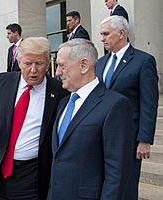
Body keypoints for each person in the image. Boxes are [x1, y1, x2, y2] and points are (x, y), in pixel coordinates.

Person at [0, 37, 69, 200]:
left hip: (32, 177)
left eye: (39, 63)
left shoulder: (59, 92)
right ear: (18, 62)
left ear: (48, 63)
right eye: (27, 64)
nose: (33, 70)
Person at [48, 38, 134, 200]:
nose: (57, 72)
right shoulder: (64, 103)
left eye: (62, 65)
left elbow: (117, 172)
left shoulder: (115, 105)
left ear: (84, 65)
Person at [96, 16, 159, 200]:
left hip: (129, 137)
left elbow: (149, 102)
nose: (102, 38)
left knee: (127, 186)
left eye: (106, 34)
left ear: (121, 33)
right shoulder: (100, 63)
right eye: (101, 34)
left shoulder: (143, 61)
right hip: (101, 134)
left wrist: (145, 139)